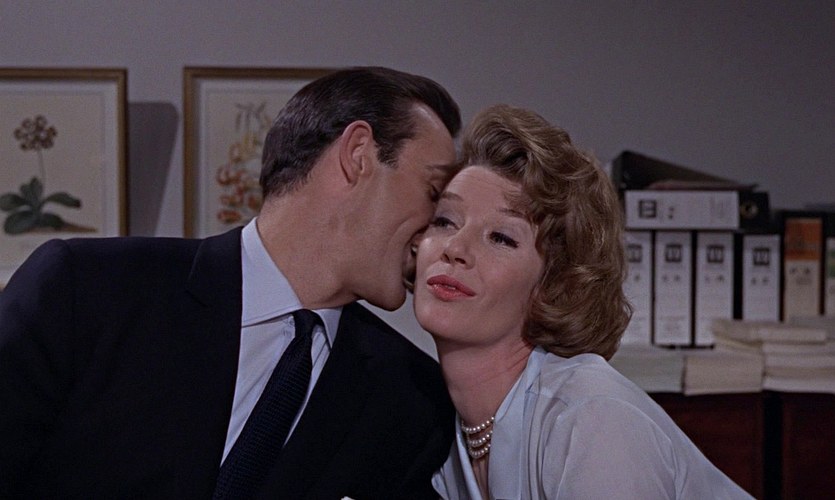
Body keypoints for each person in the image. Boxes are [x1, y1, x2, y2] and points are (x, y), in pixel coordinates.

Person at [0, 67, 460, 498]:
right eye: (434, 193)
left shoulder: (414, 401)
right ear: (357, 154)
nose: (438, 233)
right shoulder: (86, 290)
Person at [412, 104, 753, 499]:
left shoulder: (592, 416)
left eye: (501, 238)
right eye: (445, 221)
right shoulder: (441, 432)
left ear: (554, 283)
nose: (455, 248)